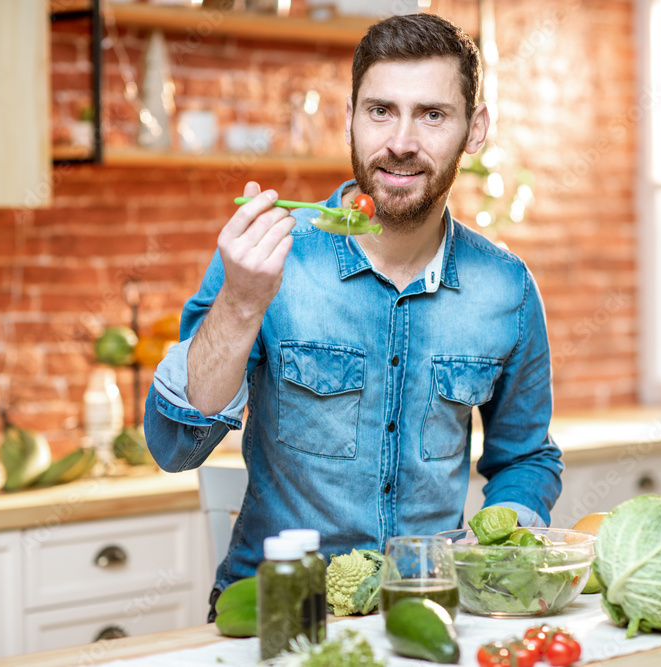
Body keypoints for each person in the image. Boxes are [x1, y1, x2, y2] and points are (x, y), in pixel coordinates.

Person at [144, 13, 563, 619]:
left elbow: (526, 457)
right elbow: (174, 447)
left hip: (426, 606)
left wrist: (498, 542)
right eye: (380, 111)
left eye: (433, 115)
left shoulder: (506, 287)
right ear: (349, 118)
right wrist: (240, 306)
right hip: (281, 609)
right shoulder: (266, 258)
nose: (401, 142)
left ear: (476, 130)